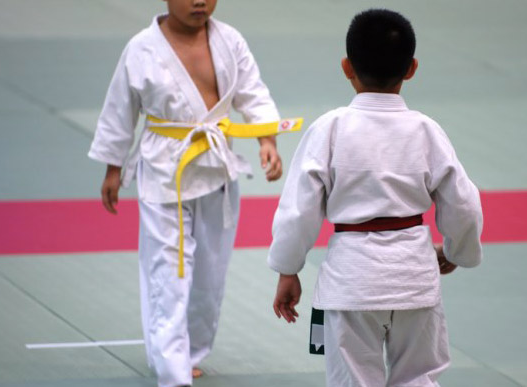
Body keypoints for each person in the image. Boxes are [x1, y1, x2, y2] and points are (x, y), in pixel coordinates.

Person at [268, 8, 483, 387]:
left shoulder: (330, 129)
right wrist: (456, 250)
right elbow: (464, 204)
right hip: (414, 276)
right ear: (412, 68)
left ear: (346, 66)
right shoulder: (426, 131)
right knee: (419, 378)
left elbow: (298, 209)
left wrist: (289, 268)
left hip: (352, 281)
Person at [88, 1, 296, 386]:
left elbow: (252, 92)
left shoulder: (229, 40)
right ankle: (172, 370)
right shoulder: (142, 48)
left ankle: (192, 350)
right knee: (168, 273)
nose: (200, 1)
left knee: (209, 275)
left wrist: (267, 139)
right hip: (166, 173)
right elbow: (120, 109)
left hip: (217, 168)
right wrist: (113, 168)